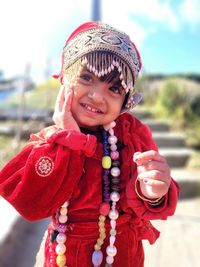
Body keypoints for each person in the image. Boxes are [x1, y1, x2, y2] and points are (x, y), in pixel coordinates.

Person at [0, 21, 179, 267]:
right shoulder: (50, 141)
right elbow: (31, 205)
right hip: (66, 256)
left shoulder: (133, 134)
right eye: (87, 77)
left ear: (126, 101)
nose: (97, 95)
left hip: (123, 254)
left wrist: (153, 192)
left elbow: (152, 188)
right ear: (65, 80)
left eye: (114, 88)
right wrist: (69, 140)